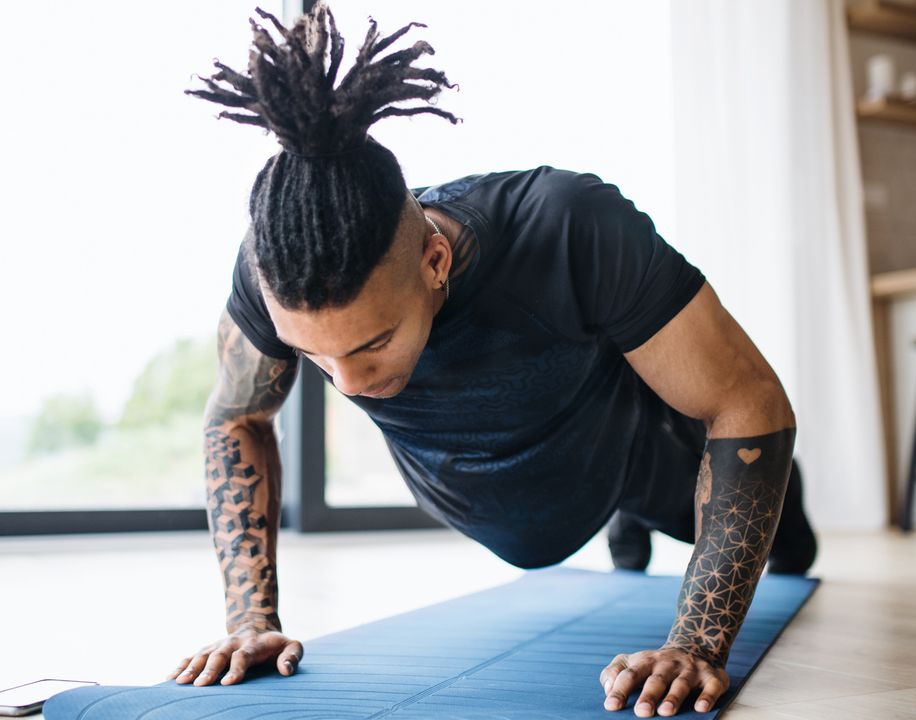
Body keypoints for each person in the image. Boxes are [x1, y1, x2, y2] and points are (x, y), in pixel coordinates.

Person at [168, 3, 817, 717]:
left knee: (791, 547)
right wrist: (250, 622)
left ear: (435, 260)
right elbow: (235, 417)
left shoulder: (569, 224)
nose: (352, 385)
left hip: (620, 452)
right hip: (479, 494)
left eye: (373, 343)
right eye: (314, 357)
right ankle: (620, 524)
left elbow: (747, 400)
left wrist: (697, 642)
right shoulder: (275, 272)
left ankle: (653, 507)